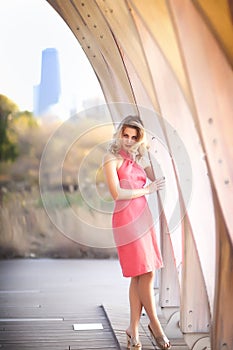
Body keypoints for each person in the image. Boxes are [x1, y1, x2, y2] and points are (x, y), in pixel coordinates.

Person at [103, 115, 171, 349]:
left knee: (140, 274)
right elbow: (117, 193)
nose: (129, 141)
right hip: (126, 220)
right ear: (119, 133)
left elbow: (158, 177)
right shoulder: (110, 158)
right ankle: (155, 325)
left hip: (143, 219)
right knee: (147, 272)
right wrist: (146, 191)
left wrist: (147, 148)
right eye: (126, 135)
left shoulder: (138, 158)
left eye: (134, 137)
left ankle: (133, 330)